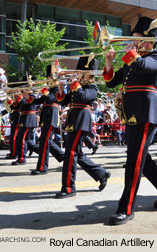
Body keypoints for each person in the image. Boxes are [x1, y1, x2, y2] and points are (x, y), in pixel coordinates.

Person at [103, 16, 157, 225]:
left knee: (134, 162)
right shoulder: (133, 58)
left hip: (146, 113)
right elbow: (111, 82)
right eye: (132, 38)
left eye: (136, 38)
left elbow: (143, 66)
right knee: (140, 158)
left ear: (149, 39)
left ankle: (126, 208)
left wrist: (131, 52)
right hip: (132, 113)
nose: (133, 41)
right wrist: (109, 61)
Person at [55, 57, 110, 199]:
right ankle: (101, 174)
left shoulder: (92, 88)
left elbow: (82, 97)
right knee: (77, 154)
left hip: (81, 120)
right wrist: (61, 89)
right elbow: (64, 101)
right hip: (74, 119)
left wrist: (74, 83)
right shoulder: (77, 85)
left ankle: (68, 187)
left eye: (81, 72)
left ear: (88, 73)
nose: (78, 74)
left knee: (71, 154)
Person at [30, 67, 65, 175]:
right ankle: (63, 156)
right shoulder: (50, 89)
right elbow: (38, 101)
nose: (47, 79)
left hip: (51, 116)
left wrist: (44, 90)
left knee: (44, 143)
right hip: (46, 116)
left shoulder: (56, 88)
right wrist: (29, 96)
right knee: (46, 141)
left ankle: (42, 168)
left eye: (49, 77)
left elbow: (50, 99)